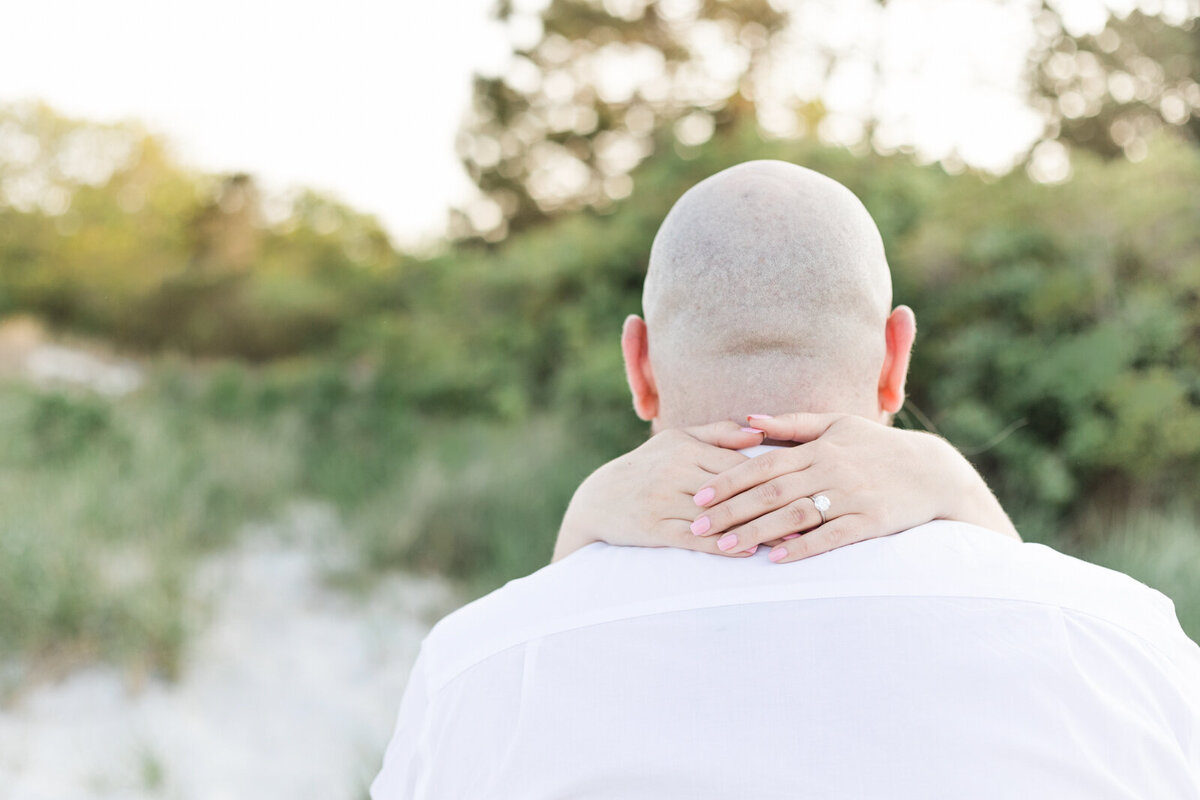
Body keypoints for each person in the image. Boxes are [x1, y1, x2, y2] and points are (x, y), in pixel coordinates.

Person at [371, 161, 1200, 799]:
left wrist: (580, 529)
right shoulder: (1129, 639)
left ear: (640, 364)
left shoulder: (469, 665)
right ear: (894, 358)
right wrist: (962, 491)